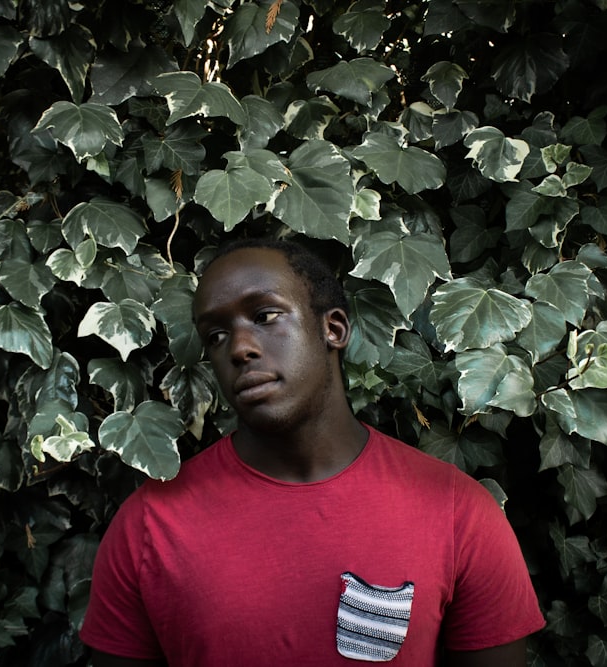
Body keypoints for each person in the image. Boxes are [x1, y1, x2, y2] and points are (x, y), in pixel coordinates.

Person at [80, 238, 545, 666]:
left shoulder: (457, 511)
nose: (240, 347)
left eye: (265, 316)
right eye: (216, 336)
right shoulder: (149, 526)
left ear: (334, 328)